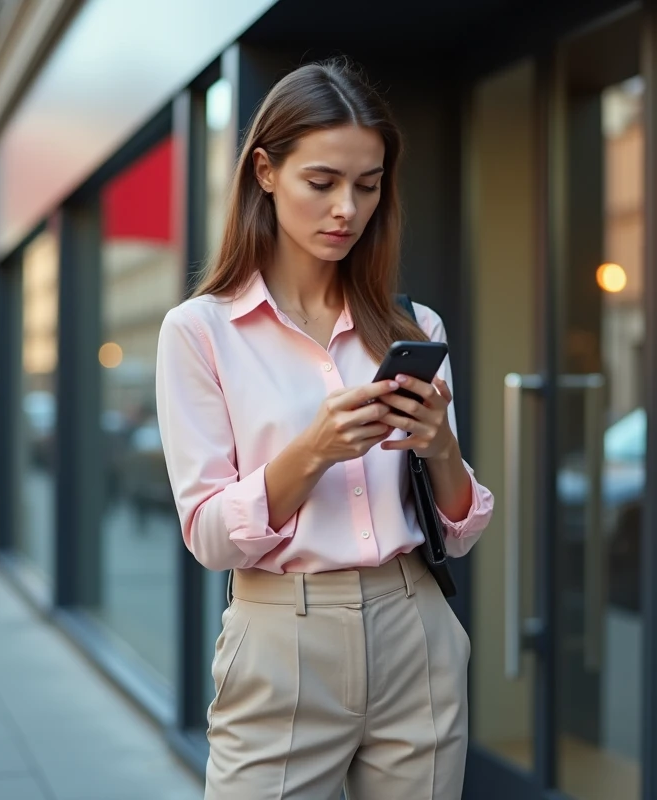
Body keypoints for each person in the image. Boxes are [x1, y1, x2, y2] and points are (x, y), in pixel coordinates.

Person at [156, 60, 494, 800]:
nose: (347, 208)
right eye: (323, 182)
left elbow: (460, 531)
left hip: (416, 629)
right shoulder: (200, 332)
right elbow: (209, 535)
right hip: (281, 636)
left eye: (368, 186)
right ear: (266, 172)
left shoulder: (415, 326)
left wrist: (441, 449)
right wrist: (311, 453)